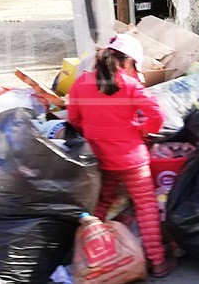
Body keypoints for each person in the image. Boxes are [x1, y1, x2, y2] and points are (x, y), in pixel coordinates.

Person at [66, 34, 175, 277]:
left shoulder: (82, 83)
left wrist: (92, 132)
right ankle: (157, 262)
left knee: (102, 205)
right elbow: (156, 114)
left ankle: (97, 260)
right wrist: (143, 130)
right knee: (146, 207)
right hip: (132, 160)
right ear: (127, 63)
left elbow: (73, 118)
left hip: (100, 160)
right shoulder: (129, 85)